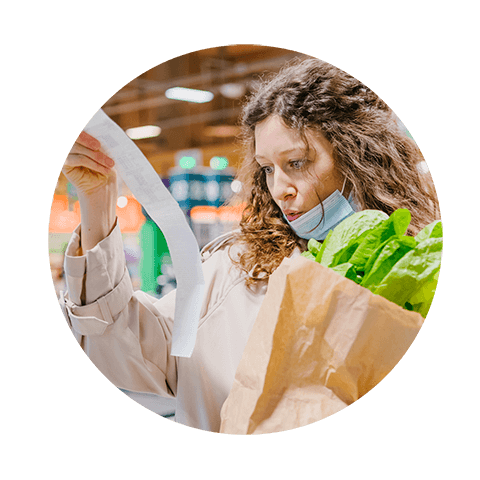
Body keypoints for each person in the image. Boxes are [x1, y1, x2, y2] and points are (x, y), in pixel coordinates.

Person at [60, 58, 440, 432]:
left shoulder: (417, 272)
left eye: (296, 162)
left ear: (359, 156)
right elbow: (124, 352)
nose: (279, 189)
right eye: (268, 169)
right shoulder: (236, 269)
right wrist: (97, 199)